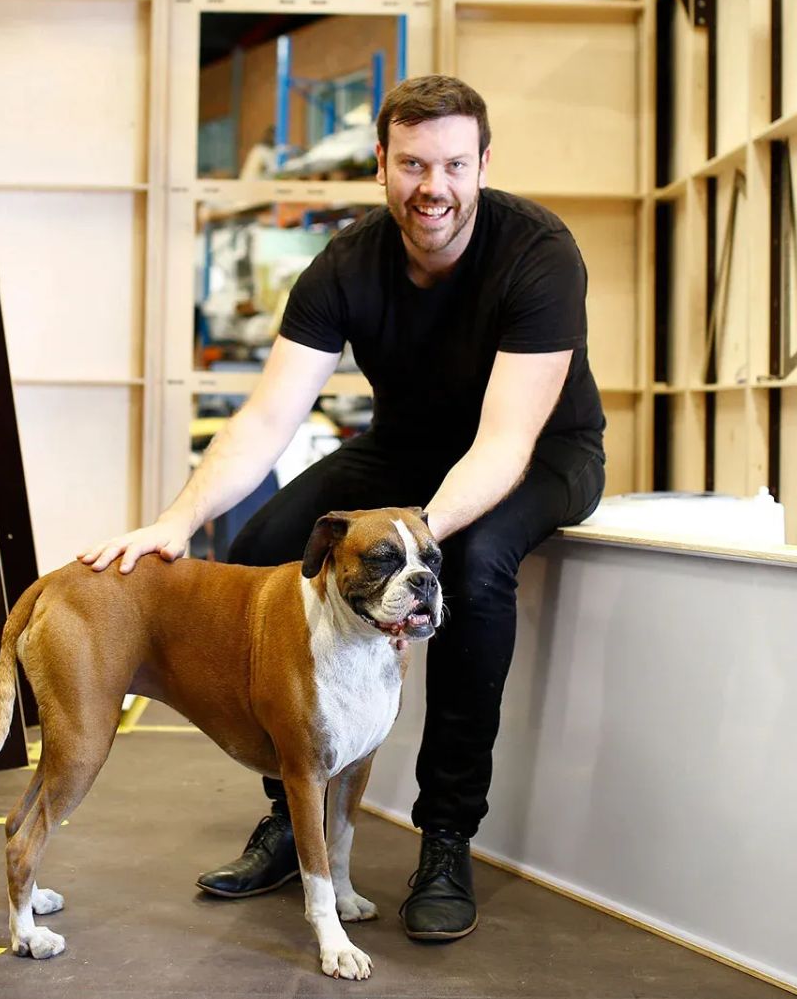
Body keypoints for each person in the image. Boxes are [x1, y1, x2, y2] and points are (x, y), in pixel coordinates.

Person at [79, 75, 605, 941]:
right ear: (382, 166)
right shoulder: (347, 263)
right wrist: (175, 522)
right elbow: (266, 419)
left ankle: (445, 838)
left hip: (542, 451)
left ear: (481, 166)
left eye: (452, 165)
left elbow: (505, 445)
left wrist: (411, 547)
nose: (431, 186)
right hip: (406, 446)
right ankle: (297, 809)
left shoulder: (538, 253)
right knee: (262, 546)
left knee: (469, 572)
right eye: (411, 164)